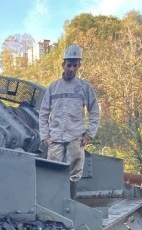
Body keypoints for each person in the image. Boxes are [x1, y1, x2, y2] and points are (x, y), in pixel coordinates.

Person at [39, 44, 100, 199]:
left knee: (74, 173)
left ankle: (70, 202)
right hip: (55, 138)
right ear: (63, 64)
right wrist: (45, 136)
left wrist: (89, 134)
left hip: (75, 137)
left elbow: (94, 111)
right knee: (53, 171)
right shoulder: (53, 87)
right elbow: (43, 112)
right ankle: (54, 203)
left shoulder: (84, 87)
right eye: (69, 65)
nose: (71, 69)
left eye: (74, 65)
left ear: (79, 66)